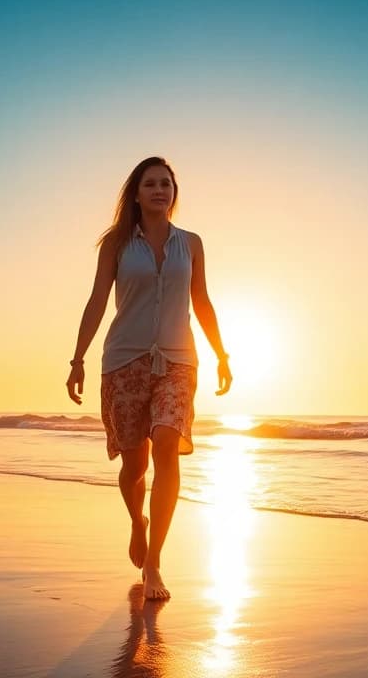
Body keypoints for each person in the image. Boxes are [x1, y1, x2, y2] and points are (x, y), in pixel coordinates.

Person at [66, 155, 232, 600]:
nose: (160, 190)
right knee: (133, 465)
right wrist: (77, 358)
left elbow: (202, 300)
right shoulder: (116, 245)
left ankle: (155, 561)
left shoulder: (191, 244)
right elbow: (98, 300)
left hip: (179, 361)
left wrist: (221, 354)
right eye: (151, 184)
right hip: (124, 361)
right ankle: (137, 521)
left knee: (166, 442)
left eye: (167, 184)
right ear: (136, 194)